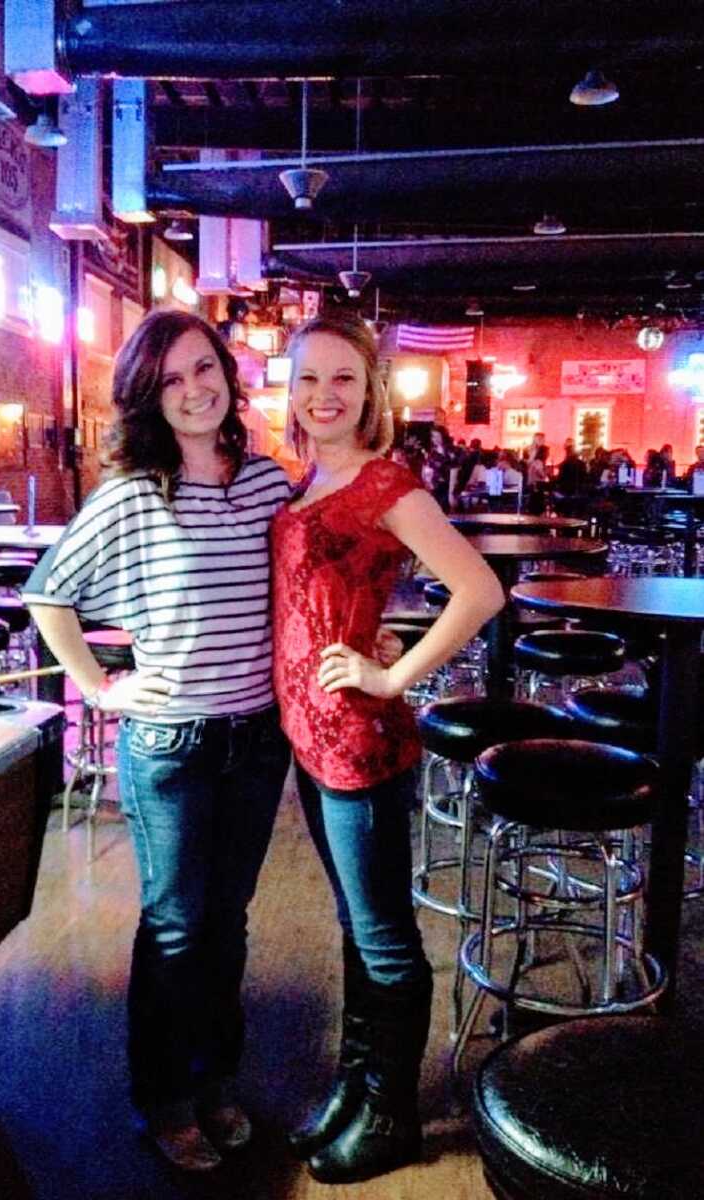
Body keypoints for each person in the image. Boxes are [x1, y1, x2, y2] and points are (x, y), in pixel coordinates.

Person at [23, 310, 293, 1173]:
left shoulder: (265, 483)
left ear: (227, 372)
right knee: (175, 927)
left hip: (256, 740)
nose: (193, 389)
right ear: (149, 394)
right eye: (171, 378)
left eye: (203, 368)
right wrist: (103, 685)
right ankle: (165, 1097)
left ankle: (217, 1082)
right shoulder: (134, 493)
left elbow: (301, 589)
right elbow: (48, 595)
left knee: (228, 924)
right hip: (171, 745)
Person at [271, 311, 504, 1184]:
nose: (324, 395)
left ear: (371, 391)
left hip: (356, 742)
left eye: (343, 378)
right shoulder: (310, 477)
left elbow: (478, 591)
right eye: (308, 379)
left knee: (385, 939)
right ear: (289, 393)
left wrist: (391, 676)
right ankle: (357, 1085)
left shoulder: (385, 483)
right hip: (306, 732)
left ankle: (394, 1113)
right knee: (354, 927)